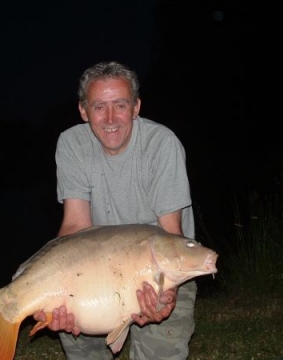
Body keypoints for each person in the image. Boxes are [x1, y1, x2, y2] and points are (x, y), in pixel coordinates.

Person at [49, 61, 196, 360]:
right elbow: (75, 225)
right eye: (99, 106)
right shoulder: (71, 144)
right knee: (73, 326)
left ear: (136, 106)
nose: (111, 118)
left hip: (159, 268)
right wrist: (57, 288)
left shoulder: (162, 145)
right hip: (99, 270)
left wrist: (166, 294)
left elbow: (171, 236)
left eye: (120, 104)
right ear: (83, 110)